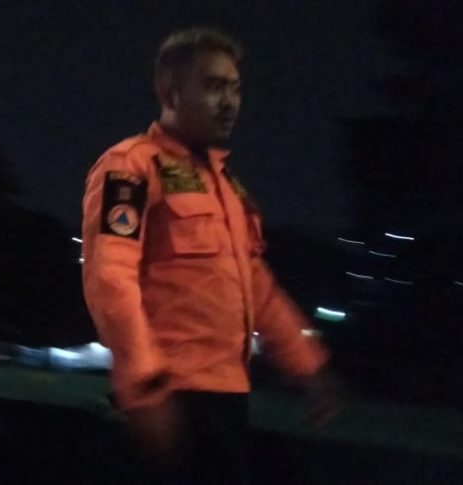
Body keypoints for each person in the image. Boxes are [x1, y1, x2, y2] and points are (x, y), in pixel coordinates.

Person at [81, 27, 340, 484]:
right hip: (170, 399)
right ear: (170, 92)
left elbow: (258, 287)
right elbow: (110, 278)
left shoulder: (227, 186)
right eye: (213, 86)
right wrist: (144, 387)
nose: (230, 102)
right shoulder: (131, 165)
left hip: (228, 398)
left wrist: (307, 365)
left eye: (235, 88)